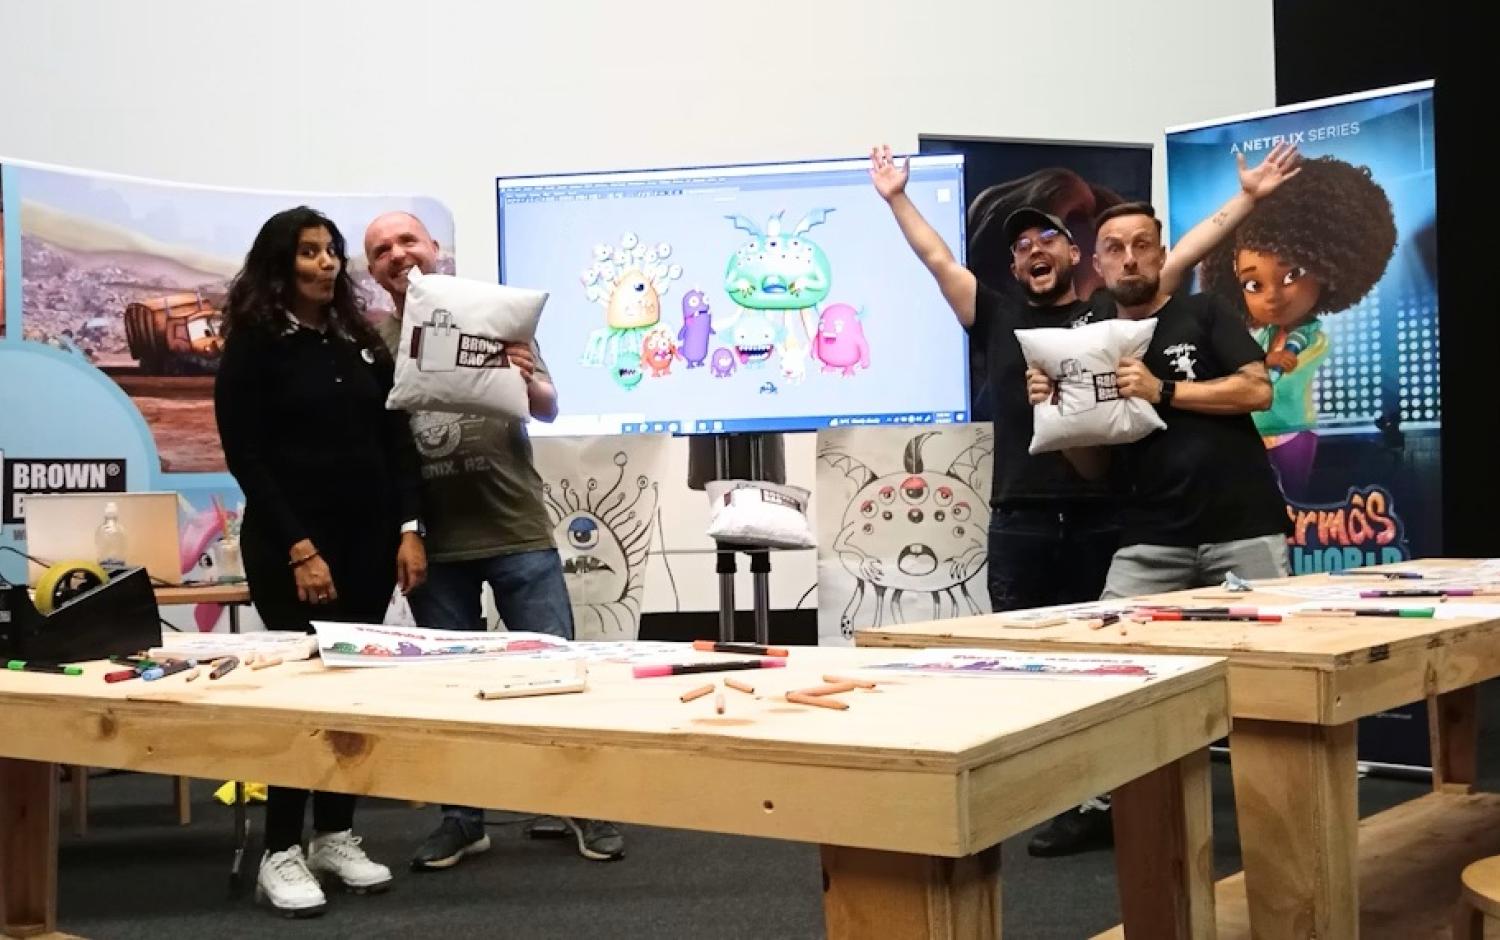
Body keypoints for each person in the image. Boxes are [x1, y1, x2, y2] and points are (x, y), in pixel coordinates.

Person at [868, 142, 1300, 620]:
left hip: (1107, 515)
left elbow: (1176, 260)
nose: (1035, 249)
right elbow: (938, 260)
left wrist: (1247, 199)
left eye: (1047, 238)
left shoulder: (1106, 315)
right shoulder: (999, 315)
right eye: (1022, 246)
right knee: (1043, 640)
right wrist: (896, 199)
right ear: (1013, 266)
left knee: (1114, 634)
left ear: (1077, 255)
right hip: (1029, 516)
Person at [1023, 202, 1293, 855]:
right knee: (1110, 663)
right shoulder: (1084, 335)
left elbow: (1258, 392)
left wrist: (1161, 389)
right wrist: (1057, 413)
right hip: (1147, 533)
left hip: (1240, 525)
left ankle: (1285, 807)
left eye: (1142, 245)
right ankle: (1103, 803)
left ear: (1159, 251)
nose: (1129, 258)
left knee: (1278, 673)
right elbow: (1090, 465)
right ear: (1098, 263)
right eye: (1114, 248)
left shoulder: (1201, 313)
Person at [361, 211, 626, 871]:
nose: (397, 253)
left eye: (407, 241)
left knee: (555, 675)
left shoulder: (492, 313)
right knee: (451, 689)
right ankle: (462, 819)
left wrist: (529, 372)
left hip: (516, 529)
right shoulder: (368, 343)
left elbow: (546, 405)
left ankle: (580, 804)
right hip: (435, 543)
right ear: (372, 270)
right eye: (381, 249)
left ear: (435, 250)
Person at [214, 206, 426, 917]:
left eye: (332, 251)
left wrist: (408, 528)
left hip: (369, 546)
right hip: (290, 549)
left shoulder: (357, 342)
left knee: (349, 693)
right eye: (310, 252)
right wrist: (300, 548)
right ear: (281, 263)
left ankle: (335, 833)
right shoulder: (254, 345)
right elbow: (247, 456)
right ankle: (280, 848)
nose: (326, 262)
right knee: (301, 698)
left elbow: (396, 444)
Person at [1199, 156, 1397, 498]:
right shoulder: (1258, 335)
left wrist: (1259, 367)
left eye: (1291, 276)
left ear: (1327, 269)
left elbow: (1278, 376)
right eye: (1253, 285)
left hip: (1293, 432)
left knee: (1293, 507)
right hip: (1251, 434)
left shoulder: (1311, 339)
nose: (1272, 297)